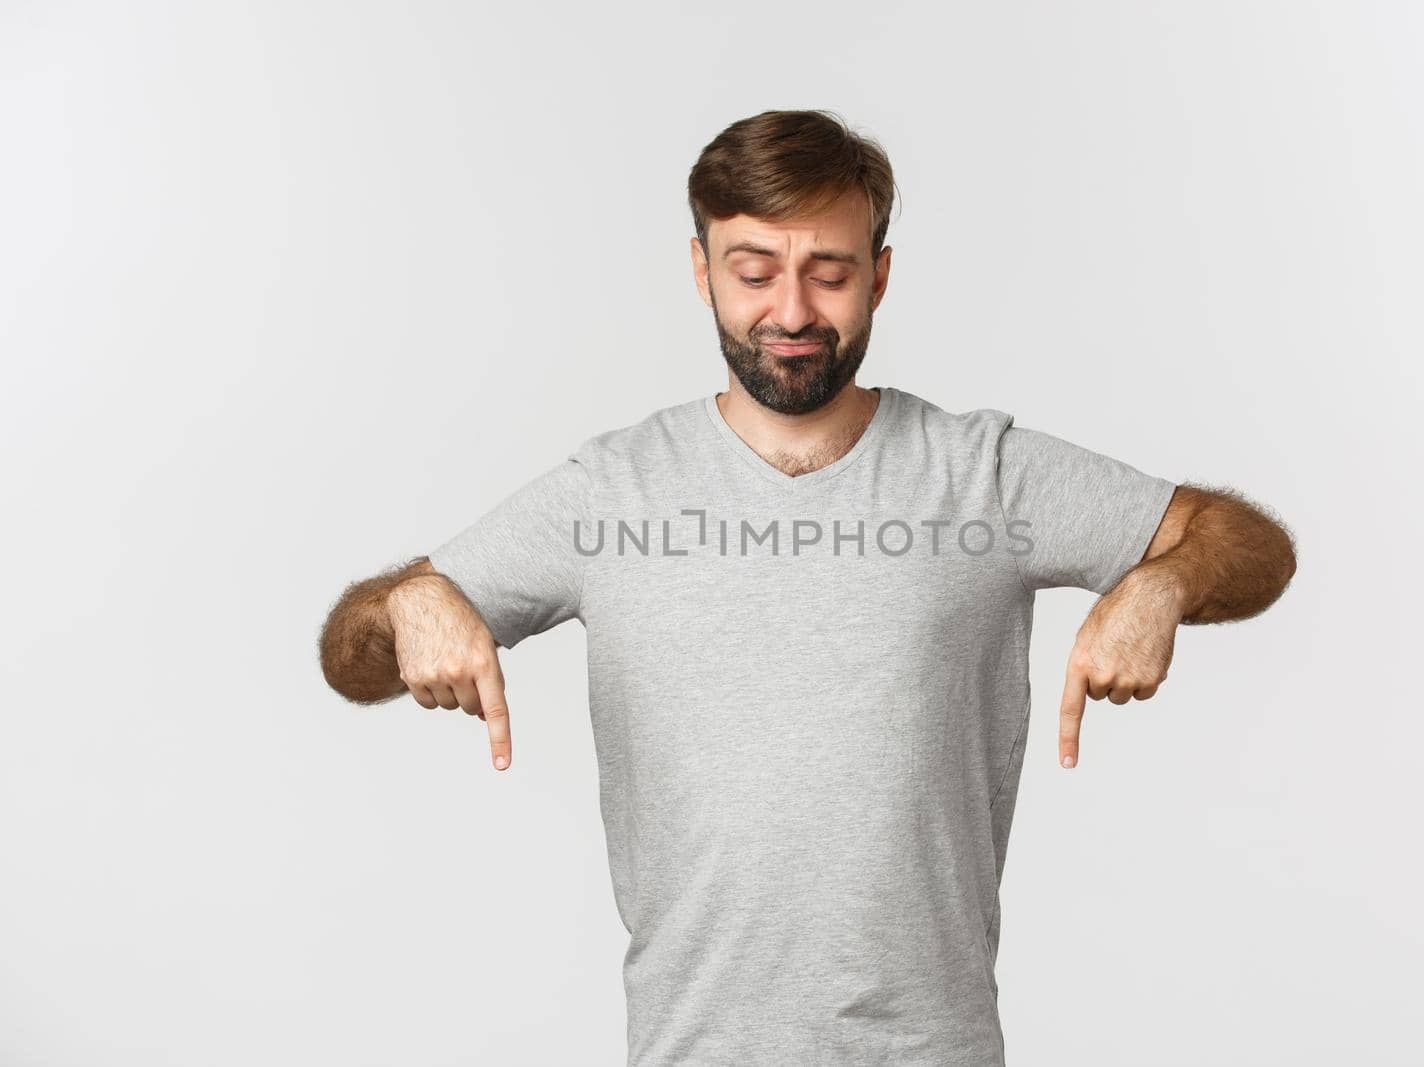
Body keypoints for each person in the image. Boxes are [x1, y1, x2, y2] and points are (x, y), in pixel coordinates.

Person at [318, 108, 1297, 1066]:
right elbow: (351, 656)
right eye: (753, 272)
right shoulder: (608, 494)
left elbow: (1247, 544)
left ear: (878, 274)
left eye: (828, 272)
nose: (790, 312)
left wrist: (1162, 583)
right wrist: (409, 602)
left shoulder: (983, 475)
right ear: (701, 271)